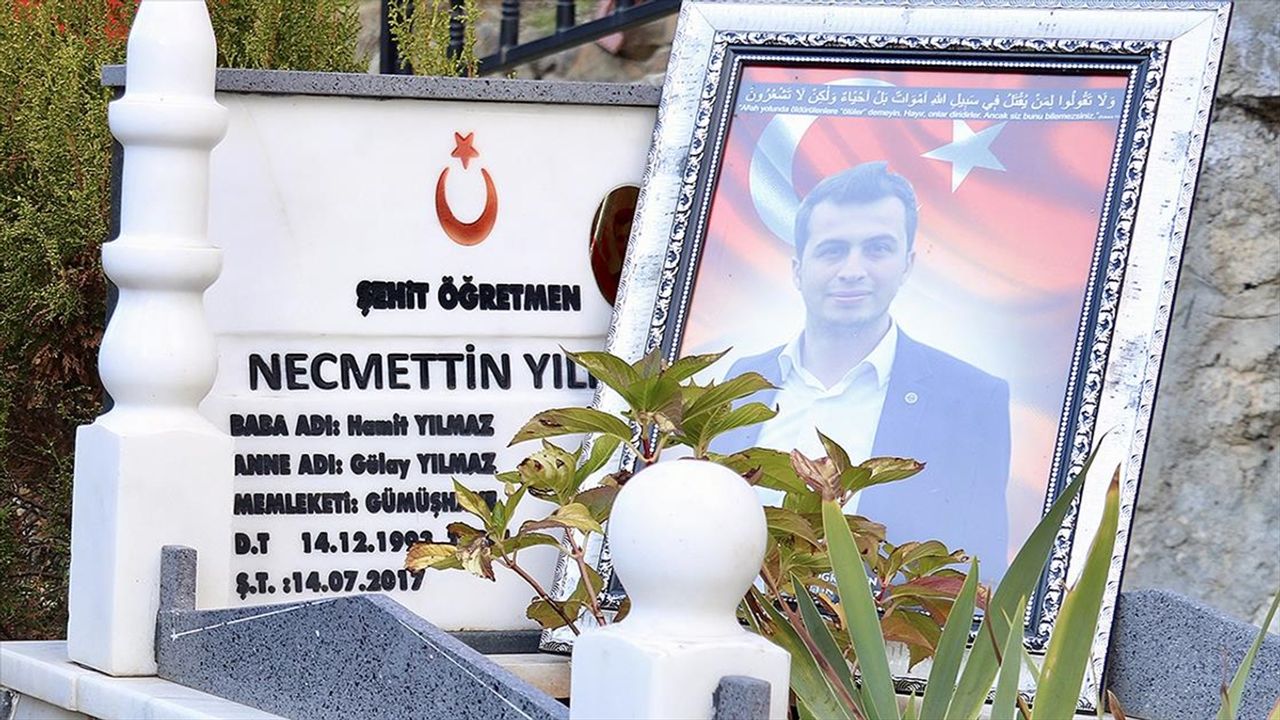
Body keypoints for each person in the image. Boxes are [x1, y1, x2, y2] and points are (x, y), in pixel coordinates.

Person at [713, 161, 1011, 580]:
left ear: (907, 264)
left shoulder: (972, 401)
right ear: (797, 269)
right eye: (833, 250)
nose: (853, 270)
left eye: (877, 249)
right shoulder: (744, 381)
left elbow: (980, 576)